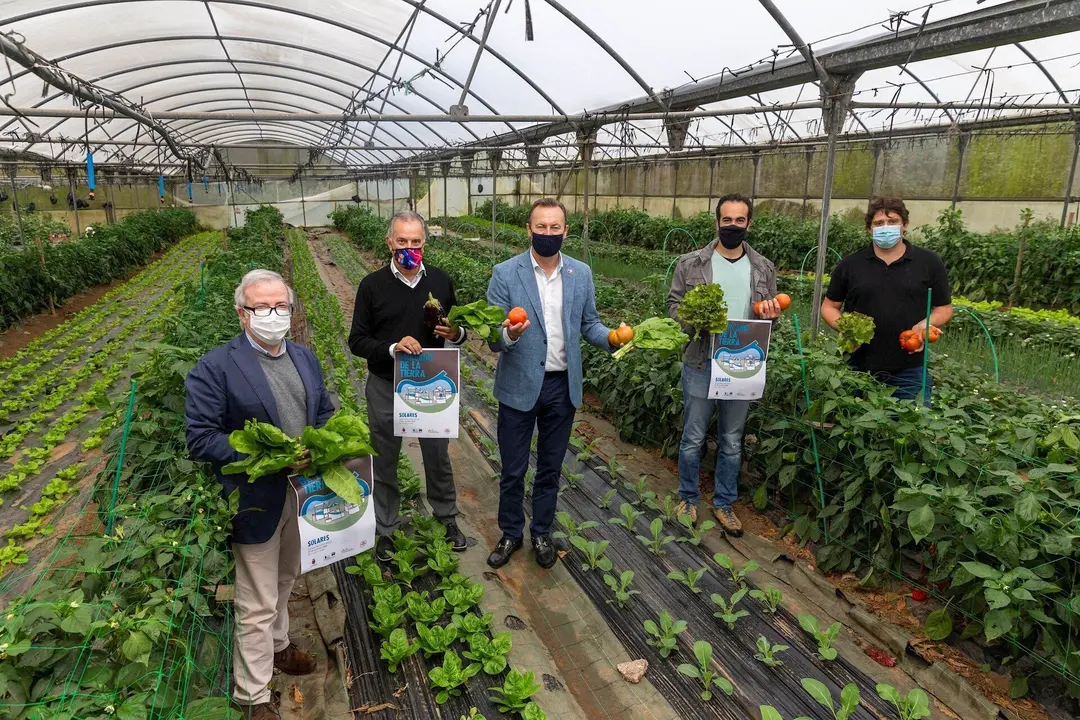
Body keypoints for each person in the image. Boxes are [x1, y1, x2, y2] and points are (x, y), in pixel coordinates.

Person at [186, 269, 334, 720]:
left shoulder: (304, 358)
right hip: (255, 496)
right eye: (262, 308)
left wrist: (324, 443)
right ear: (242, 313)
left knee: (287, 576)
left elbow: (324, 410)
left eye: (281, 306)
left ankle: (279, 646)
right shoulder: (217, 366)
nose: (273, 315)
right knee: (255, 598)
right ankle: (252, 695)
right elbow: (201, 438)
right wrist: (271, 452)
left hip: (302, 491)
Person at [485, 198, 624, 570]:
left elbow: (589, 324)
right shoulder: (505, 272)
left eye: (555, 228)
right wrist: (509, 334)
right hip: (518, 384)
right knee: (513, 468)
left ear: (566, 231)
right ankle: (511, 532)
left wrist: (611, 337)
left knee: (550, 467)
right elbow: (491, 335)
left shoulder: (581, 273)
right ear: (528, 229)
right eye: (541, 227)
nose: (548, 234)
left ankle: (542, 531)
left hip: (561, 387)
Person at [348, 211, 468, 561]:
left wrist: (456, 334)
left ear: (424, 243)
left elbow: (459, 329)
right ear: (390, 242)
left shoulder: (442, 282)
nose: (409, 248)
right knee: (384, 458)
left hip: (433, 382)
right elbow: (357, 340)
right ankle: (385, 527)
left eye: (416, 242)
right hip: (386, 384)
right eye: (402, 241)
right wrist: (391, 347)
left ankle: (446, 517)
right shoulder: (372, 286)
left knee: (437, 455)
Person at [667, 194, 779, 537]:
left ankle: (724, 503)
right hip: (701, 359)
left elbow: (770, 317)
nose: (732, 226)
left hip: (742, 361)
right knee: (693, 436)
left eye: (739, 221)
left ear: (749, 224)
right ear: (716, 222)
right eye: (726, 220)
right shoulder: (691, 264)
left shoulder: (763, 268)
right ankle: (688, 497)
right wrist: (692, 319)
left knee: (732, 440)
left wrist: (772, 316)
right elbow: (673, 305)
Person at [821, 196, 952, 404]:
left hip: (910, 369)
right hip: (857, 366)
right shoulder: (851, 264)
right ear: (869, 229)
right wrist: (846, 329)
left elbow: (943, 308)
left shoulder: (928, 262)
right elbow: (829, 306)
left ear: (905, 225)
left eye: (893, 222)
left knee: (910, 429)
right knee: (855, 429)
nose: (886, 227)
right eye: (879, 223)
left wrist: (924, 325)